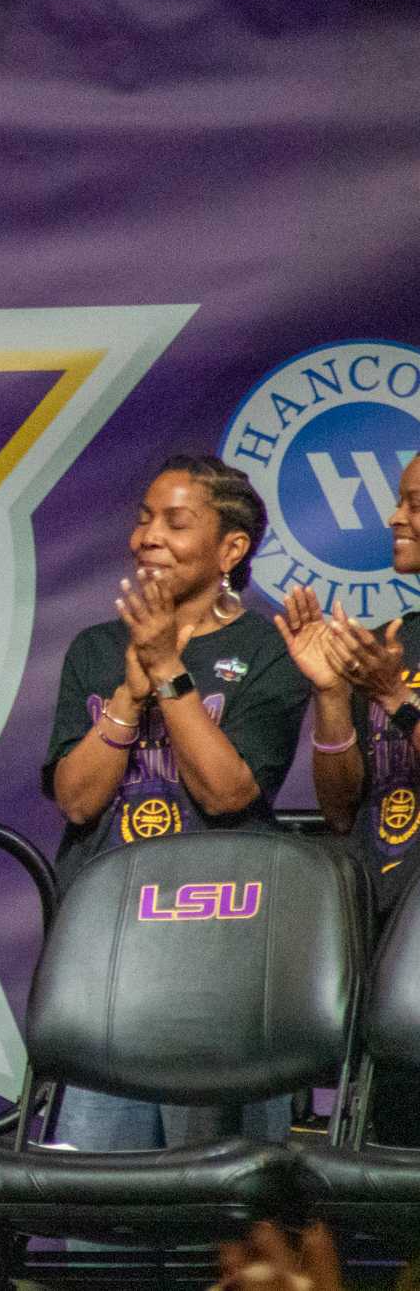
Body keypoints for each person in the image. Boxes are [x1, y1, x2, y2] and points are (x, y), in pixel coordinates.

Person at [42, 453, 308, 1150]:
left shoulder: (267, 649)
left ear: (230, 547)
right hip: (106, 963)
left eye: (176, 521)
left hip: (220, 960)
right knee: (99, 1212)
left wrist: (168, 671)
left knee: (225, 1210)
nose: (149, 536)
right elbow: (75, 800)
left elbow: (227, 793)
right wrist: (130, 691)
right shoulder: (97, 650)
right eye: (143, 519)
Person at [277, 450, 420, 1145]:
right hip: (388, 944)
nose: (396, 515)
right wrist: (332, 694)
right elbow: (340, 808)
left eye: (414, 501)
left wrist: (395, 698)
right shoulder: (399, 639)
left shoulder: (389, 669)